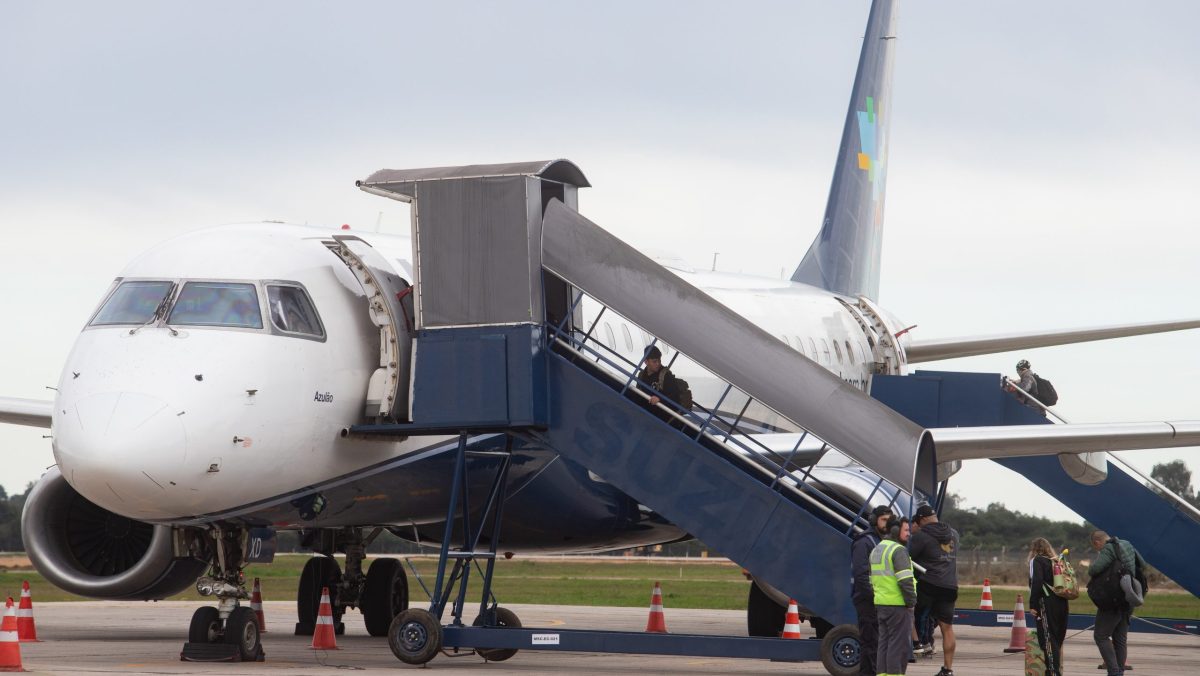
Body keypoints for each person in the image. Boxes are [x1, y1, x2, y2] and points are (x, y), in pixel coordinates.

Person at [908, 504, 958, 676]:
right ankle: (948, 669)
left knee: (909, 613)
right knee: (947, 628)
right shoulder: (954, 534)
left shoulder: (921, 535)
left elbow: (906, 557)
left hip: (929, 584)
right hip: (950, 586)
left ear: (922, 520)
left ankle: (918, 645)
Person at [1089, 530, 1148, 676]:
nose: (1098, 549)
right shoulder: (1127, 543)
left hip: (1113, 598)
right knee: (1120, 638)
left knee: (1101, 636)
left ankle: (1114, 671)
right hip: (1129, 596)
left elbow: (1094, 570)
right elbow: (1143, 564)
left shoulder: (1108, 548)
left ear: (1097, 542)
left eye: (1096, 547)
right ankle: (1119, 671)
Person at [851, 505, 893, 676]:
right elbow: (861, 575)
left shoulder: (885, 541)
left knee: (876, 645)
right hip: (869, 601)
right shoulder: (864, 542)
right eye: (883, 520)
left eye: (889, 520)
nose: (887, 524)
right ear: (874, 520)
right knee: (872, 644)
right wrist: (875, 597)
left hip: (881, 600)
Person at [871, 516, 915, 676]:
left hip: (881, 604)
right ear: (896, 531)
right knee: (898, 647)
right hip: (898, 605)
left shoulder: (877, 549)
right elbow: (905, 580)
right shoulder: (898, 550)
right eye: (906, 530)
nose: (909, 534)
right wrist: (911, 602)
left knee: (884, 645)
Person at [1028, 537, 1068, 676]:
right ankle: (1054, 670)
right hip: (1062, 601)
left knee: (1047, 638)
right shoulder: (1056, 561)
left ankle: (1052, 671)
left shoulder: (1037, 560)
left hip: (1046, 602)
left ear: (1034, 549)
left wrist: (1033, 604)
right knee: (1057, 637)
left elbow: (1037, 582)